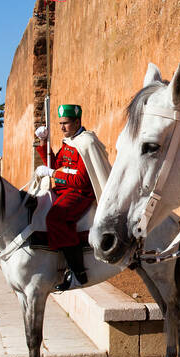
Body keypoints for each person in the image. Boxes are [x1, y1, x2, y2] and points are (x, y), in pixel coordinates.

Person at [34, 104, 112, 291]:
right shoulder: (69, 141)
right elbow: (57, 164)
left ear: (77, 122)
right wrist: (44, 143)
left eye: (66, 123)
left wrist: (53, 173)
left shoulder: (86, 143)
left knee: (56, 218)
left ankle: (78, 273)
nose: (62, 128)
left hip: (80, 193)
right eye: (60, 123)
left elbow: (81, 180)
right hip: (62, 190)